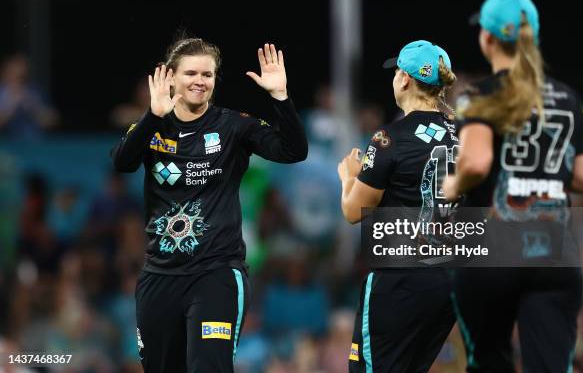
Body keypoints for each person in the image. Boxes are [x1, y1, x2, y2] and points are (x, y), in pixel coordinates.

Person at [111, 38, 308, 372]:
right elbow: (122, 162)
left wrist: (280, 97)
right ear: (170, 77)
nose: (199, 81)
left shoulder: (233, 126)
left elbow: (293, 151)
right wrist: (152, 116)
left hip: (216, 273)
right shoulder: (153, 128)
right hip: (160, 276)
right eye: (190, 73)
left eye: (208, 74)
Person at [442, 0, 583, 372]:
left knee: (488, 362)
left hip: (494, 252)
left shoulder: (478, 96)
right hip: (553, 253)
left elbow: (477, 163)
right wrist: (541, 179)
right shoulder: (565, 97)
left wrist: (452, 184)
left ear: (488, 38)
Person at [338, 40, 458, 372]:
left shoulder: (390, 138)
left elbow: (353, 211)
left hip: (400, 278)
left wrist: (347, 177)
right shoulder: (464, 135)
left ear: (404, 79)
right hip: (449, 280)